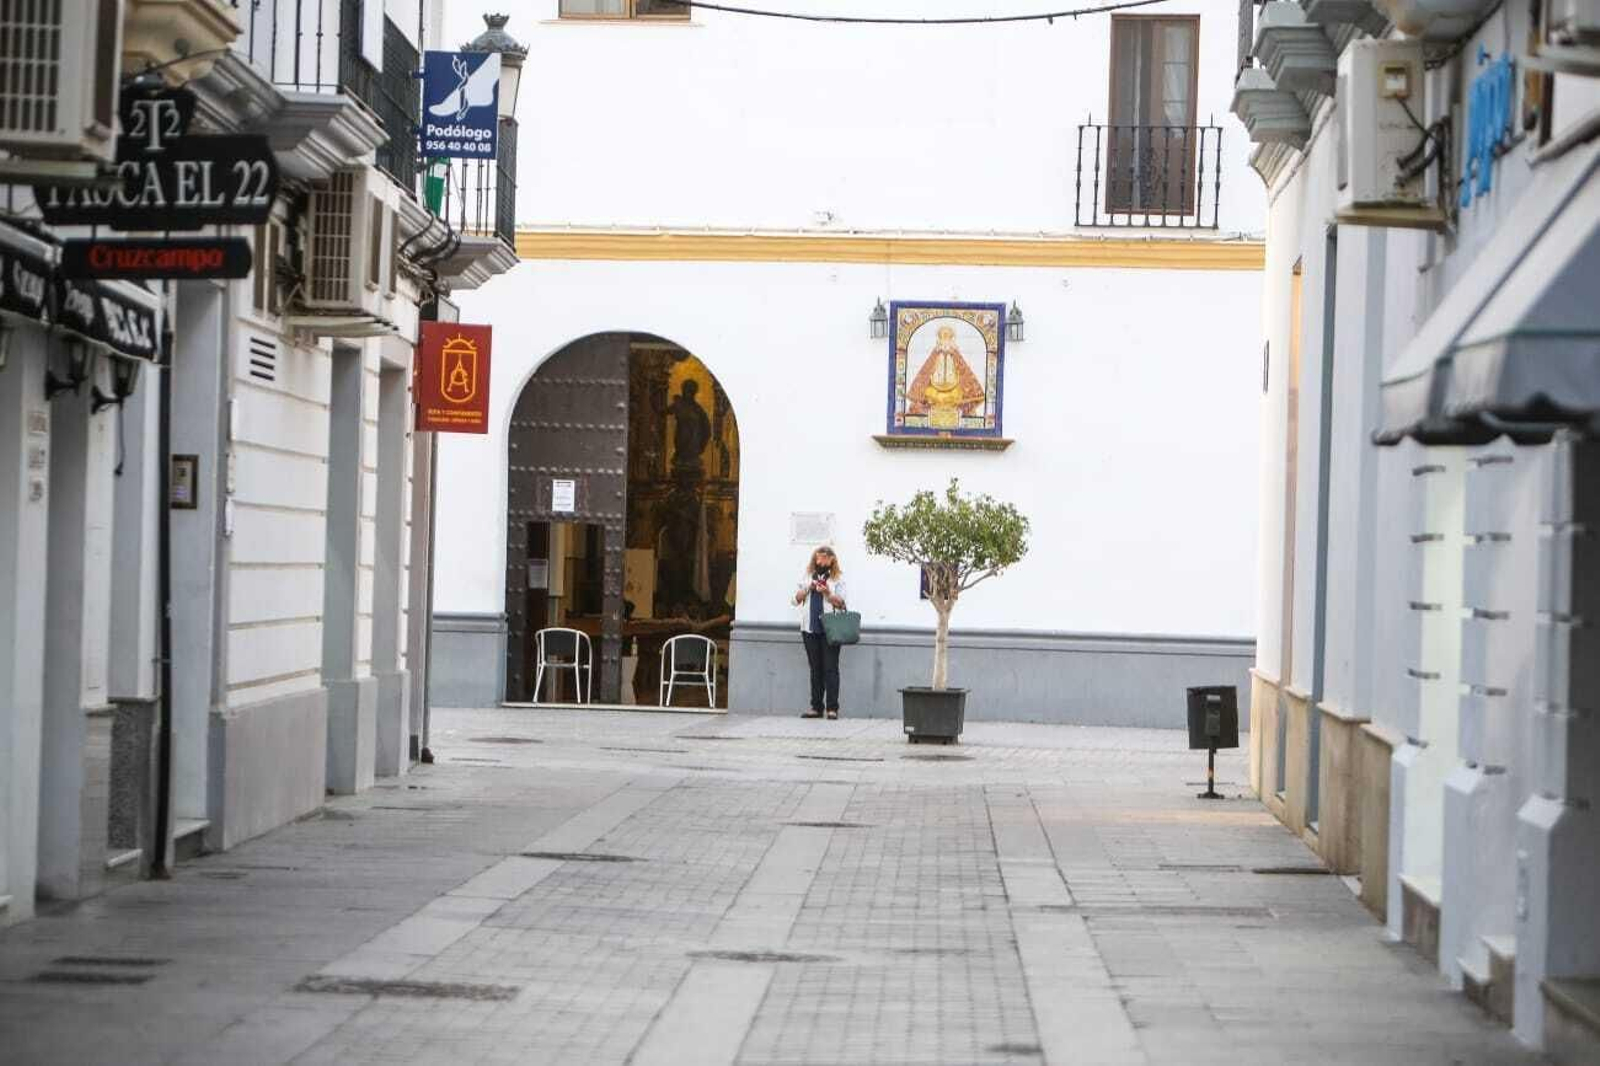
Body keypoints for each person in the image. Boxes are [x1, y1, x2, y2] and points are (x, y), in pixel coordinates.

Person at [793, 546, 847, 719]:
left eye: (824, 559)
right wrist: (808, 588)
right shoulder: (807, 576)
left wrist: (827, 593)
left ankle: (832, 708)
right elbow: (795, 600)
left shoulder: (837, 579)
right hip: (809, 628)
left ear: (832, 560)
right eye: (818, 558)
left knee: (830, 668)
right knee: (815, 669)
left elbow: (841, 603)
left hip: (830, 630)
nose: (821, 562)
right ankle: (816, 707)